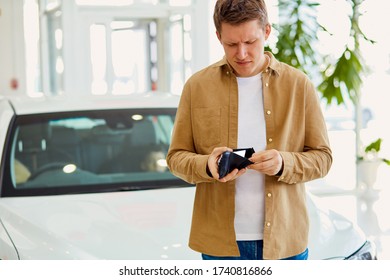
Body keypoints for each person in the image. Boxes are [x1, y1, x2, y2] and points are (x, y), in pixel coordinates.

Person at [166, 0, 332, 260]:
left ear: (266, 32)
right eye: (231, 44)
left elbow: (323, 158)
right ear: (218, 36)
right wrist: (208, 165)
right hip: (220, 245)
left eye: (250, 42)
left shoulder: (299, 85)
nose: (241, 54)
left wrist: (283, 163)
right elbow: (176, 157)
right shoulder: (196, 87)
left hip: (286, 243)